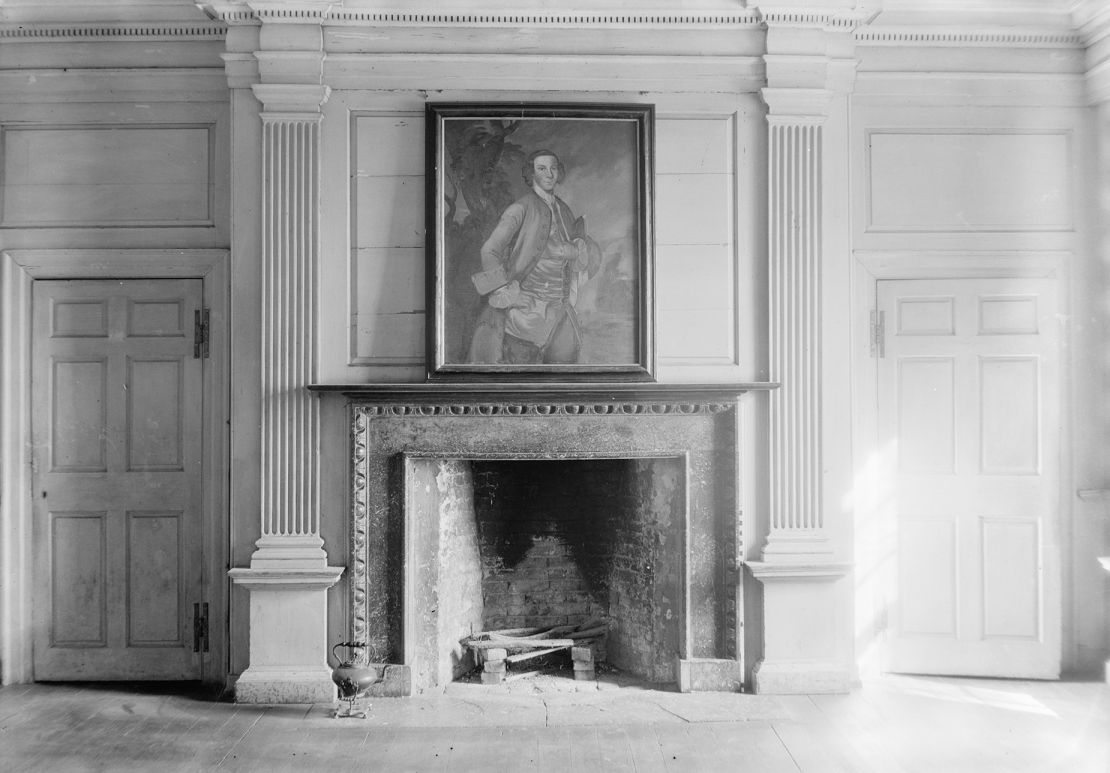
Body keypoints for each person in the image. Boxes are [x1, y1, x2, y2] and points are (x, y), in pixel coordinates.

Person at [468, 149, 600, 364]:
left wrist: (576, 252)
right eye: (542, 168)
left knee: (563, 380)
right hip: (524, 312)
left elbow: (574, 258)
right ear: (531, 174)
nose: (549, 174)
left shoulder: (565, 210)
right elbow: (489, 250)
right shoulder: (520, 208)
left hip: (559, 309)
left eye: (553, 168)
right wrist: (508, 293)